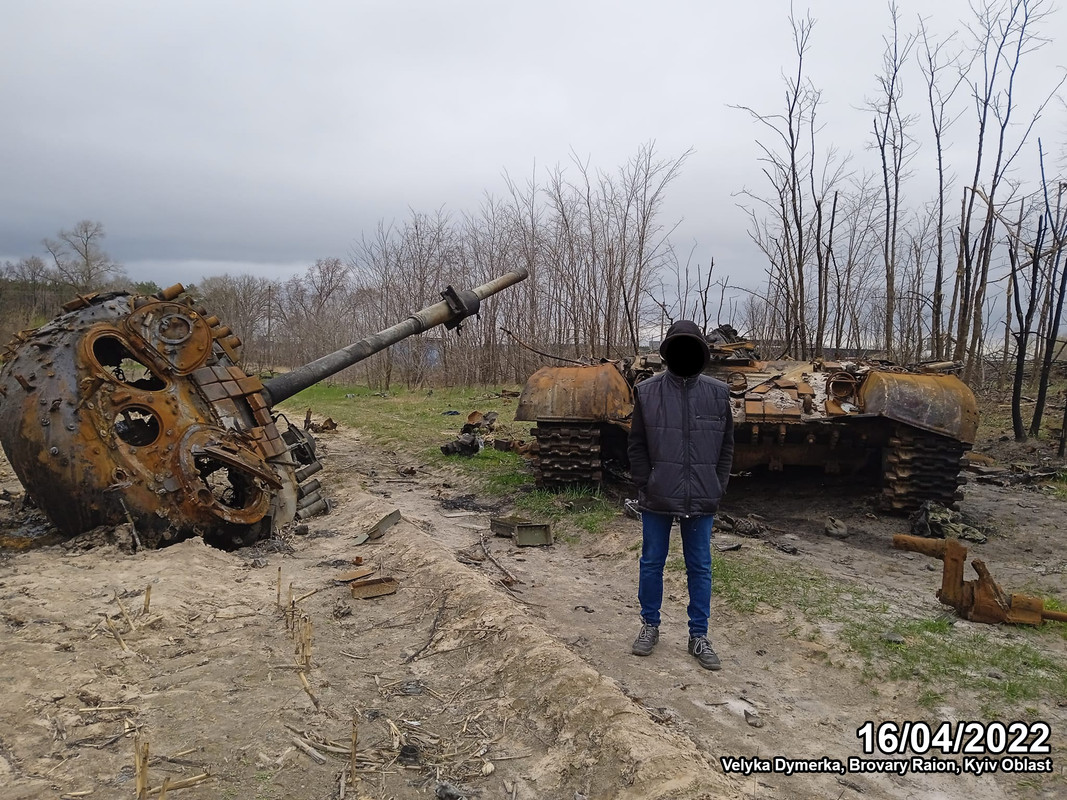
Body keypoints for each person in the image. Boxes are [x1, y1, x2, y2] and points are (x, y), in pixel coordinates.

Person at [627, 320, 734, 670]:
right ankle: (650, 626)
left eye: (692, 347)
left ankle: (699, 635)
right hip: (658, 494)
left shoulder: (718, 393)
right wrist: (646, 481)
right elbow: (637, 443)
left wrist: (717, 484)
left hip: (702, 496)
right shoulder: (648, 392)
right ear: (669, 352)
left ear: (702, 353)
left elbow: (727, 447)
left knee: (700, 566)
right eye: (679, 346)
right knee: (652, 562)